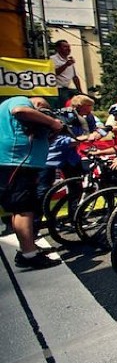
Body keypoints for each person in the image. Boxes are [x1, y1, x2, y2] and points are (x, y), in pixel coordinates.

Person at [0, 96, 64, 269]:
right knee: (23, 209)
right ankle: (28, 255)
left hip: (21, 163)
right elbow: (20, 111)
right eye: (42, 109)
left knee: (22, 208)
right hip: (16, 162)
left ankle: (28, 248)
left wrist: (51, 131)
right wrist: (52, 122)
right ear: (37, 103)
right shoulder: (21, 101)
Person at [51, 39, 82, 107]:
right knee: (67, 105)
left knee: (80, 102)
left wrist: (80, 91)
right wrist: (66, 65)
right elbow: (53, 74)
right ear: (58, 48)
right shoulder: (53, 59)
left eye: (69, 47)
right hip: (58, 89)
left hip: (67, 88)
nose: (68, 49)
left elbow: (75, 77)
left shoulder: (69, 60)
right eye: (65, 47)